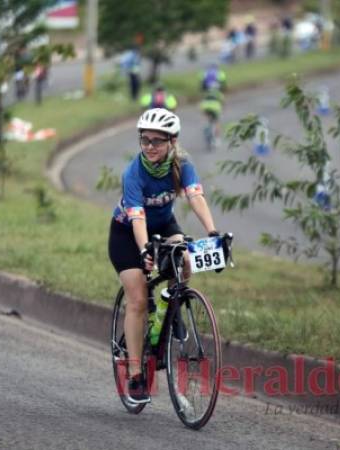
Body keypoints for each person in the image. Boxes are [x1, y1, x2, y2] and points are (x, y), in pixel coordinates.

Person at [108, 108, 220, 404]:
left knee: (184, 257)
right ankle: (135, 374)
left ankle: (175, 306)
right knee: (138, 299)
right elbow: (137, 219)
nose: (150, 147)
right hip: (127, 234)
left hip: (164, 225)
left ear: (173, 141)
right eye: (145, 140)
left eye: (158, 141)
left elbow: (195, 197)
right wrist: (145, 249)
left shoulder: (183, 164)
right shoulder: (133, 173)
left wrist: (212, 232)